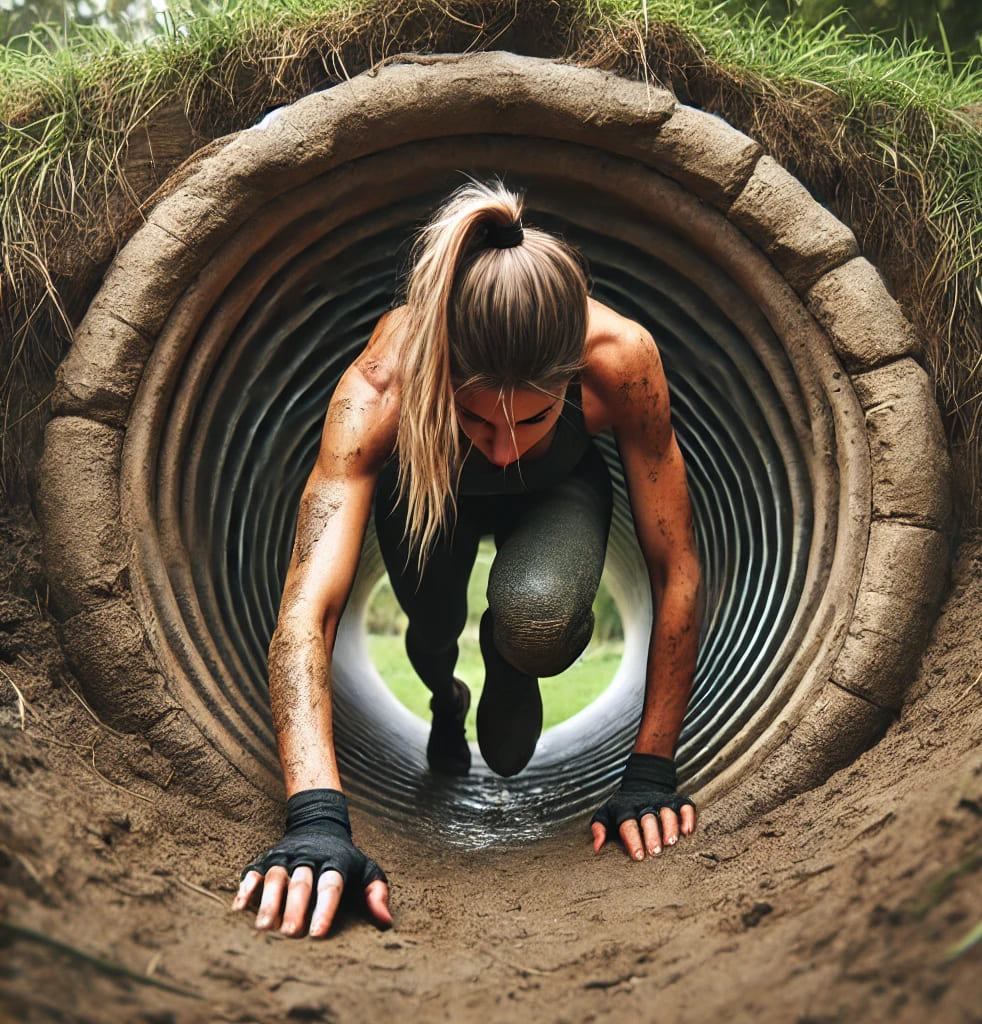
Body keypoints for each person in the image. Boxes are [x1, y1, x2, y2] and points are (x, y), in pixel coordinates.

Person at [232, 181, 701, 937]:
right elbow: (307, 605)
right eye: (476, 417)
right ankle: (447, 695)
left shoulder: (621, 358)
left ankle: (512, 648)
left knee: (536, 624)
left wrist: (649, 771)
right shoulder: (383, 384)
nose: (507, 446)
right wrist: (316, 817)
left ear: (573, 375)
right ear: (441, 372)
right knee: (429, 629)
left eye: (536, 417)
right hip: (430, 491)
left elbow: (674, 565)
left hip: (561, 499)